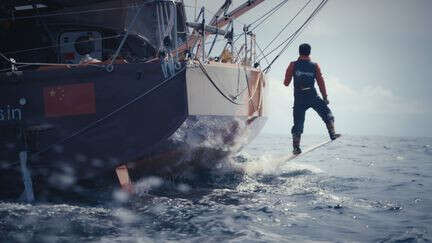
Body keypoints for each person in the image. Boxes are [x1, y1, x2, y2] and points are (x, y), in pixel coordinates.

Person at [284, 43, 340, 155]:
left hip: (299, 98)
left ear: (299, 52)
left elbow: (286, 83)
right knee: (327, 113)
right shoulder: (315, 66)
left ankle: (296, 148)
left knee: (298, 124)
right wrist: (325, 98)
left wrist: (294, 75)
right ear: (309, 52)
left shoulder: (293, 65)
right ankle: (332, 133)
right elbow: (321, 82)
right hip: (312, 96)